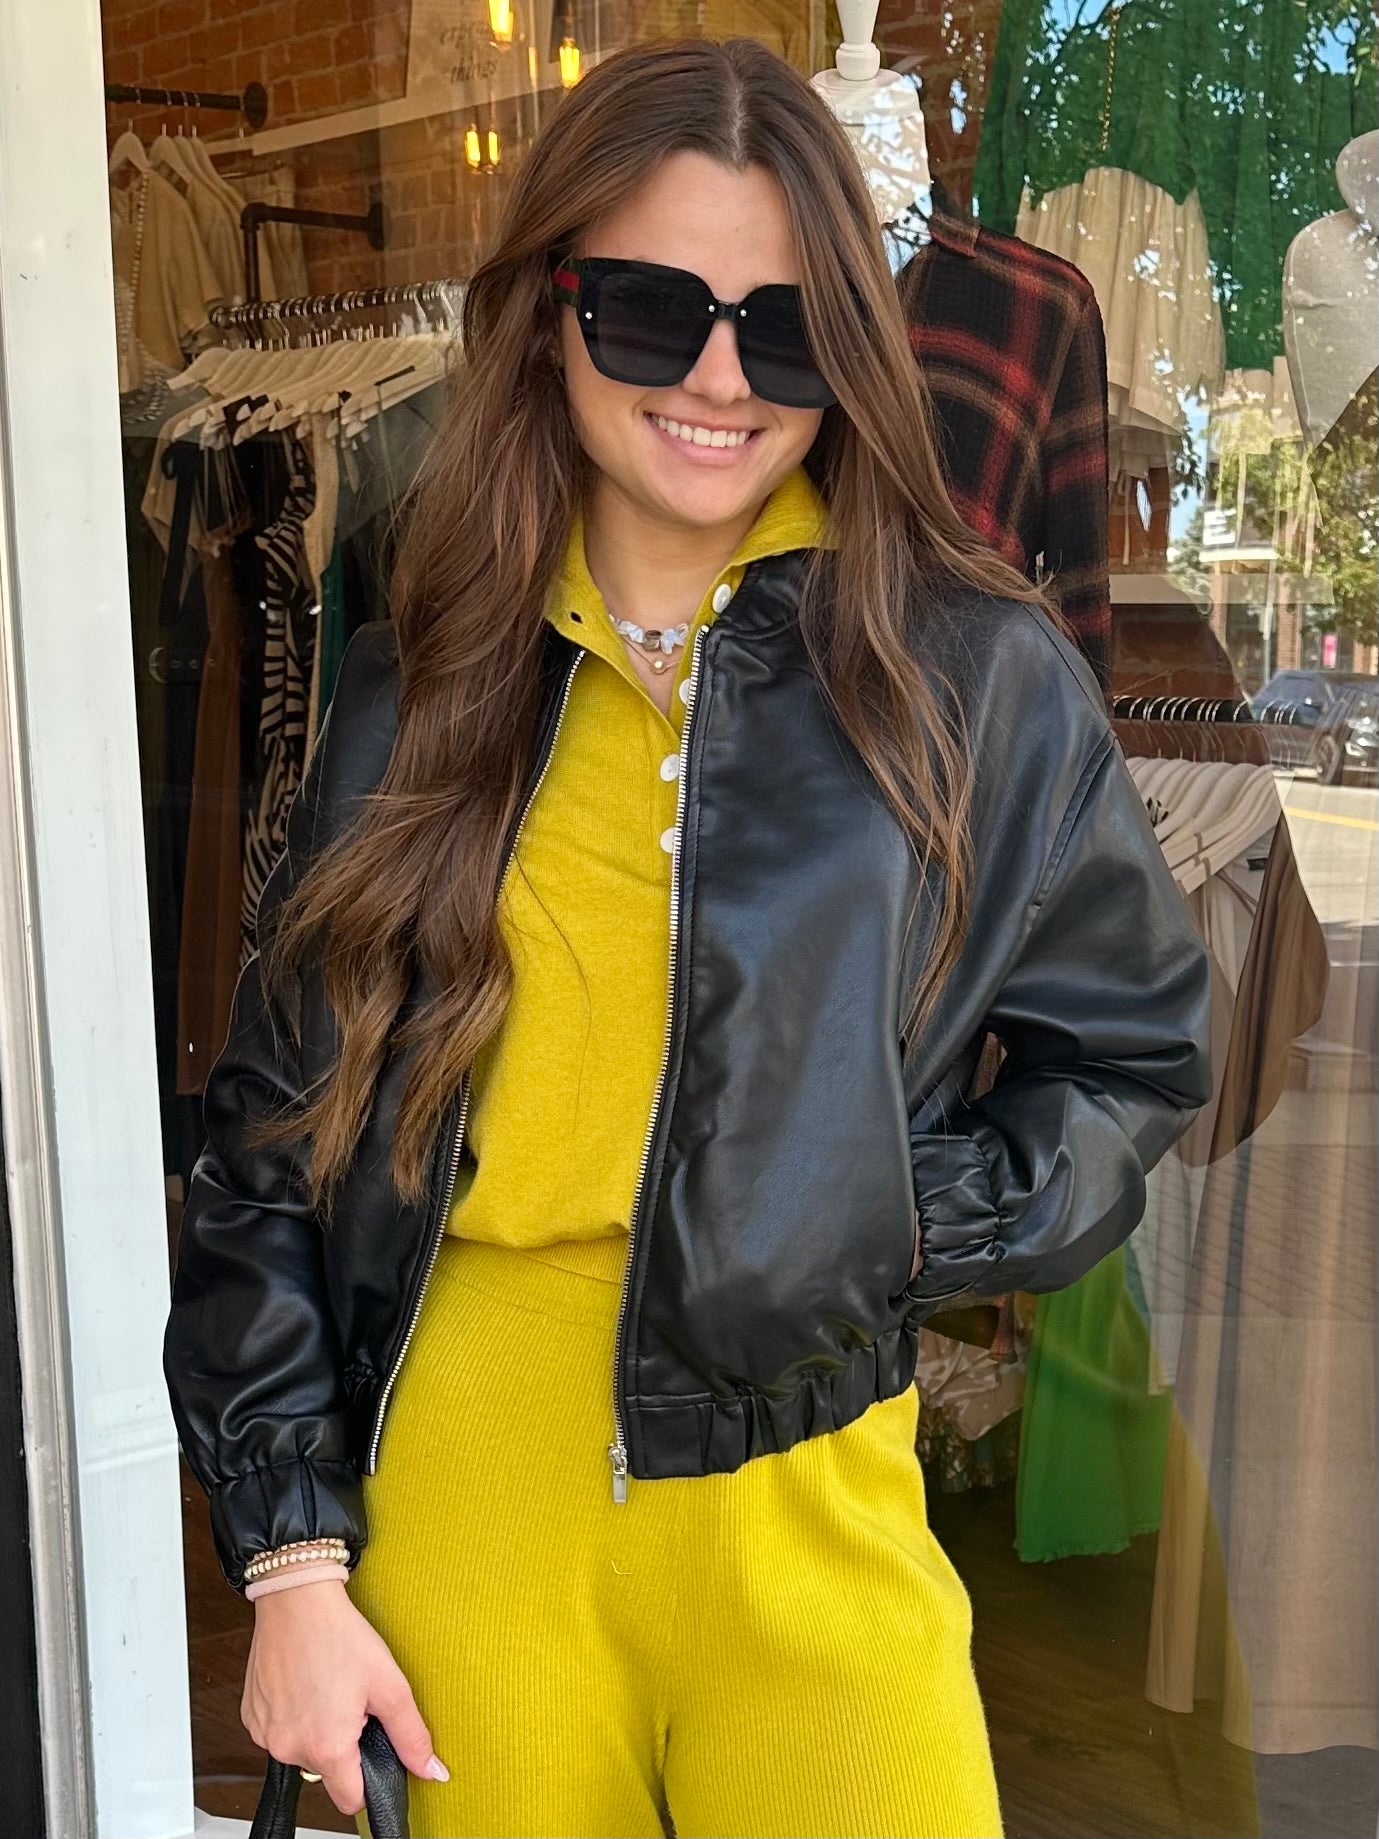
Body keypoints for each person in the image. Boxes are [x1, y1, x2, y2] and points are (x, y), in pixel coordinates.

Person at [163, 36, 1211, 1839]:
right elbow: (271, 1144)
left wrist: (897, 1213)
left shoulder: (966, 674)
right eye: (653, 312)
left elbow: (1129, 1053)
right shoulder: (425, 683)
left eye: (785, 328)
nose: (720, 379)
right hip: (473, 1502)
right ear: (552, 317)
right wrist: (290, 1569)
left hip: (809, 1495)